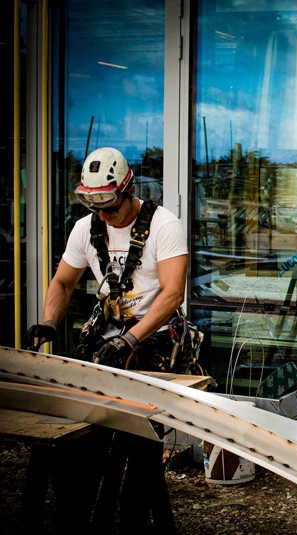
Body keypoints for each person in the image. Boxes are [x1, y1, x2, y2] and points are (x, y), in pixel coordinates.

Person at [24, 146, 189, 531]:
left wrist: (129, 341)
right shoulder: (87, 227)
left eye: (109, 207)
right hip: (106, 337)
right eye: (94, 206)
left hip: (155, 338)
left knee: (140, 444)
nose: (103, 215)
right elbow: (64, 281)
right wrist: (49, 322)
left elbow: (172, 294)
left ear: (128, 190)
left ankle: (132, 517)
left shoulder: (164, 225)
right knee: (82, 437)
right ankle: (76, 513)